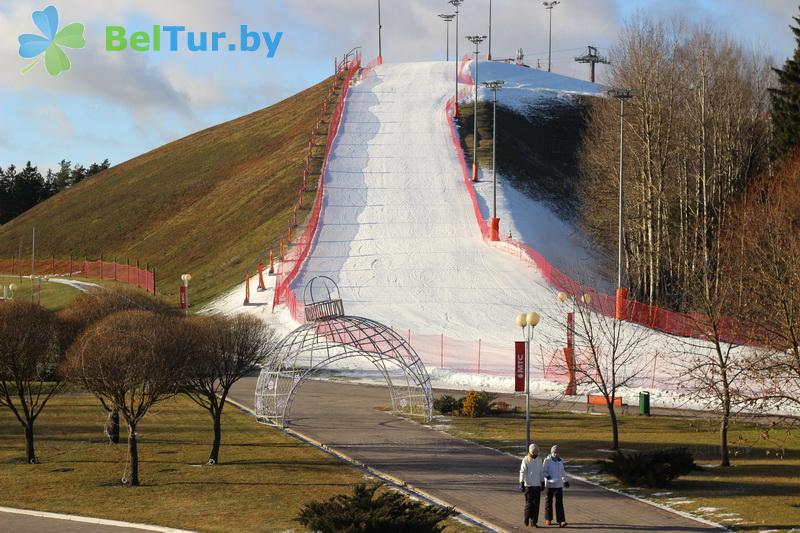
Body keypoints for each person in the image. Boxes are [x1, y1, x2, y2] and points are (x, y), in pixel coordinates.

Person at [543, 444, 569, 528]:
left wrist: (565, 481)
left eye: (557, 453)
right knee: (548, 503)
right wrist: (547, 476)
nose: (555, 454)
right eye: (554, 452)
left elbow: (562, 472)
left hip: (558, 485)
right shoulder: (547, 461)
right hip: (550, 485)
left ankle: (561, 520)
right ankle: (548, 518)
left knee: (559, 503)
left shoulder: (560, 461)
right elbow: (543, 471)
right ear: (551, 452)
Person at [519, 443, 544, 527]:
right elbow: (522, 472)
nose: (536, 453)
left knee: (536, 505)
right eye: (534, 452)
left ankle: (534, 521)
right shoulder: (526, 460)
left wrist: (542, 482)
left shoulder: (539, 460)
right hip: (528, 485)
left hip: (537, 485)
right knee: (529, 504)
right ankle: (527, 517)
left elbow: (541, 472)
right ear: (531, 452)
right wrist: (521, 482)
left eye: (537, 452)